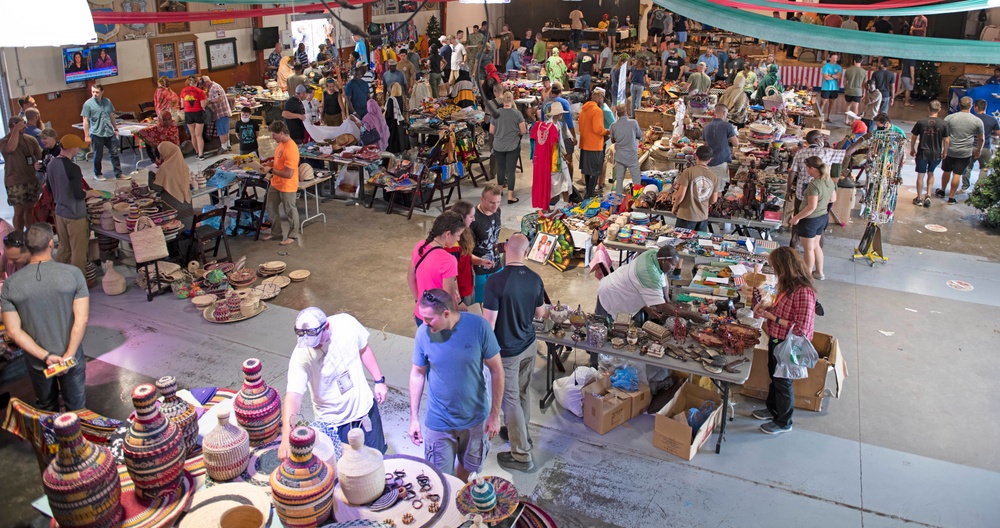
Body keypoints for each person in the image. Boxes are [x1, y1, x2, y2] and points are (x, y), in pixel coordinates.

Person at [408, 288, 504, 480]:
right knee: (439, 478)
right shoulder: (423, 334)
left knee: (467, 468)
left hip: (475, 418)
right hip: (439, 420)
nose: (424, 323)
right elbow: (417, 374)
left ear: (446, 313)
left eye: (429, 319)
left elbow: (497, 370)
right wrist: (414, 419)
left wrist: (495, 415)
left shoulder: (479, 327)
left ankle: (458, 492)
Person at [278, 307, 388, 460]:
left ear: (326, 327)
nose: (313, 346)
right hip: (333, 425)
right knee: (344, 472)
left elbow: (364, 349)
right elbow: (293, 397)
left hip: (365, 412)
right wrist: (285, 438)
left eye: (316, 341)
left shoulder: (347, 324)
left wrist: (379, 380)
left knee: (376, 461)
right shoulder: (301, 355)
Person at [1, 223, 89, 412]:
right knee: (77, 410)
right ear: (51, 243)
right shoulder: (73, 274)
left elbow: (13, 332)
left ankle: (52, 442)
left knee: (47, 409)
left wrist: (46, 356)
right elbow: (81, 320)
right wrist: (69, 355)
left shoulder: (10, 284)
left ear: (27, 246)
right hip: (71, 357)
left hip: (36, 361)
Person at [481, 233, 545, 472]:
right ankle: (521, 433)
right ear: (526, 253)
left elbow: (489, 325)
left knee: (509, 400)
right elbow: (541, 314)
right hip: (529, 345)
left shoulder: (495, 282)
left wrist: (483, 354)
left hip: (507, 351)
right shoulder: (535, 279)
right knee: (522, 392)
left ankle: (521, 455)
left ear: (506, 248)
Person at [751, 247, 817, 436]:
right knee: (775, 377)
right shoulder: (788, 286)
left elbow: (801, 328)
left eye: (775, 267)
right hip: (776, 338)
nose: (774, 271)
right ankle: (773, 410)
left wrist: (773, 318)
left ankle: (783, 421)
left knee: (783, 382)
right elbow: (784, 307)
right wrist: (769, 307)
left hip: (788, 345)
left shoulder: (804, 292)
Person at [595, 245, 682, 328]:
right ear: (664, 261)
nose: (673, 268)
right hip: (611, 294)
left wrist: (667, 301)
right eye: (673, 264)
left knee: (620, 326)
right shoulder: (649, 273)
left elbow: (662, 281)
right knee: (606, 328)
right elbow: (660, 306)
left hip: (621, 286)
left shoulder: (655, 254)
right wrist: (691, 315)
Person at [46, 134, 93, 277]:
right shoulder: (73, 168)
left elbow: (49, 189)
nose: (79, 150)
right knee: (78, 250)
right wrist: (91, 193)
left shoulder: (51, 164)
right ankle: (79, 284)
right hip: (75, 214)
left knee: (64, 248)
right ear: (71, 149)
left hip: (60, 212)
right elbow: (79, 195)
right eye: (78, 147)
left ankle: (59, 279)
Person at [409, 212, 465, 326]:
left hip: (422, 314)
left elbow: (410, 277)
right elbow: (448, 296)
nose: (458, 239)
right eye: (458, 235)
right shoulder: (448, 260)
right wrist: (455, 316)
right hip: (439, 320)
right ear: (448, 234)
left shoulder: (420, 246)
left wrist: (418, 302)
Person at [790, 157, 835, 280]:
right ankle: (819, 273)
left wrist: (796, 218)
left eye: (807, 168)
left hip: (810, 220)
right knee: (816, 246)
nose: (806, 170)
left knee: (808, 249)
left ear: (812, 168)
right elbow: (833, 199)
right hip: (823, 217)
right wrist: (822, 202)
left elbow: (811, 207)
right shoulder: (828, 181)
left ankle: (807, 276)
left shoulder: (814, 185)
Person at [938, 97, 984, 204]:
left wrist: (943, 149)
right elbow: (981, 138)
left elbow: (943, 135)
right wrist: (978, 150)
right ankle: (951, 197)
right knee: (957, 174)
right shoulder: (977, 121)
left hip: (950, 150)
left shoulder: (950, 118)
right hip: (965, 152)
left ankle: (942, 191)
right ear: (971, 106)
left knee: (946, 170)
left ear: (959, 104)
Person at [1, 117, 43, 232]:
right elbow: (11, 148)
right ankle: (18, 237)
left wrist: (39, 164)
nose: (23, 129)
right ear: (12, 126)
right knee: (19, 211)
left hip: (30, 179)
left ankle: (30, 233)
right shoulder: (4, 141)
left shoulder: (30, 140)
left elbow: (40, 155)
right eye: (21, 127)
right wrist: (15, 130)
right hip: (15, 181)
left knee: (30, 209)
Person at [262, 122, 300, 245]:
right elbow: (279, 162)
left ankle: (293, 235)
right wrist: (269, 164)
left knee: (289, 210)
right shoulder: (281, 144)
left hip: (287, 185)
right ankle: (276, 232)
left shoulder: (291, 149)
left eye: (274, 134)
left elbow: (288, 174)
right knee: (271, 207)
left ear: (281, 133)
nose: (272, 137)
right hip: (276, 182)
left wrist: (271, 170)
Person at [448, 201, 492, 307]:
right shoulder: (452, 246)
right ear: (461, 218)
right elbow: (450, 278)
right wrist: (458, 300)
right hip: (460, 293)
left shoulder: (464, 234)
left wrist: (480, 261)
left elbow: (465, 256)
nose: (474, 219)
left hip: (468, 288)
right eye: (471, 216)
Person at [532, 103, 573, 210]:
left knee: (560, 184)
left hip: (550, 160)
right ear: (557, 114)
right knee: (562, 184)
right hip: (554, 161)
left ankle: (556, 207)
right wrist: (564, 155)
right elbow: (557, 145)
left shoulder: (550, 125)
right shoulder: (553, 127)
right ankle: (563, 207)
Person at [81, 84, 125, 181]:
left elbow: (111, 115)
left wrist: (115, 128)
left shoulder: (107, 101)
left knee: (114, 153)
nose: (94, 94)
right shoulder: (88, 104)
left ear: (102, 92)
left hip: (109, 132)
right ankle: (97, 174)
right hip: (97, 133)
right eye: (93, 92)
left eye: (97, 92)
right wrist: (86, 135)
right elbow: (85, 120)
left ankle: (118, 174)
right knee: (98, 155)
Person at [910, 100, 950, 208]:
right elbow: (946, 140)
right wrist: (945, 152)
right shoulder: (944, 124)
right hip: (936, 152)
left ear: (928, 108)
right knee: (931, 172)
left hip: (923, 152)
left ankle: (918, 198)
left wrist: (912, 149)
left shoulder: (921, 122)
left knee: (920, 175)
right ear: (940, 109)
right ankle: (928, 195)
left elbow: (914, 136)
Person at [671, 145, 720, 232]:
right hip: (702, 217)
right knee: (698, 243)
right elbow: (713, 200)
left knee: (681, 242)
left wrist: (675, 206)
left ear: (696, 156)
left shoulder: (688, 172)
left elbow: (681, 194)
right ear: (709, 160)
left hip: (686, 215)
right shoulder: (714, 177)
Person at [149, 143, 195, 231]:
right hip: (187, 208)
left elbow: (156, 188)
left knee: (175, 229)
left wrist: (151, 172)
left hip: (173, 209)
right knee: (186, 226)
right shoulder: (184, 166)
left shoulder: (165, 168)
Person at [491, 92, 526, 204]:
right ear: (512, 100)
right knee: (511, 171)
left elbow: (491, 131)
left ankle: (500, 192)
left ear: (502, 101)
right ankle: (510, 196)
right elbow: (524, 131)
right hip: (512, 145)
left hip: (498, 145)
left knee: (500, 169)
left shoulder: (496, 113)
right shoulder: (517, 113)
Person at [962, 99, 1000, 191]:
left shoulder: (970, 118)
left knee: (967, 167)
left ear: (976, 107)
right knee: (984, 168)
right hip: (986, 147)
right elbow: (998, 133)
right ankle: (978, 187)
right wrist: (990, 134)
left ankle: (965, 186)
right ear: (985, 108)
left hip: (970, 147)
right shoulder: (992, 120)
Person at [580, 89, 610, 198]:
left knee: (587, 170)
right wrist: (607, 131)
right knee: (594, 171)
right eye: (602, 98)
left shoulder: (584, 109)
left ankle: (588, 192)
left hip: (584, 143)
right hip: (595, 145)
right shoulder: (597, 110)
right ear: (599, 97)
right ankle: (590, 195)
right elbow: (598, 129)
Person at [702, 105, 738, 193]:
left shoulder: (706, 127)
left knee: (708, 190)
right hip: (720, 162)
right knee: (717, 192)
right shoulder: (727, 126)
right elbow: (736, 143)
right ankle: (715, 206)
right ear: (724, 113)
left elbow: (705, 145)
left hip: (708, 163)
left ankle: (707, 206)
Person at [608, 104, 642, 195]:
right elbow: (639, 136)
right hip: (631, 156)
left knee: (619, 179)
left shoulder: (613, 126)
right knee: (636, 179)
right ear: (626, 111)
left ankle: (618, 199)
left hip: (620, 156)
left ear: (617, 114)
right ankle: (636, 198)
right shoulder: (633, 123)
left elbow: (612, 140)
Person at [201, 75, 233, 153]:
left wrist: (209, 101)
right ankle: (227, 146)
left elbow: (219, 98)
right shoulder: (214, 86)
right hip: (223, 112)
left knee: (222, 132)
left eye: (204, 85)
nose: (204, 87)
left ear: (207, 82)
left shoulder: (214, 88)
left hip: (221, 113)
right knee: (225, 131)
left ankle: (224, 148)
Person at [180, 76, 207, 159]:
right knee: (199, 135)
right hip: (198, 112)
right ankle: (201, 154)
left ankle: (196, 152)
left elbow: (182, 105)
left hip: (188, 113)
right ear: (197, 83)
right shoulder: (200, 91)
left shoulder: (183, 91)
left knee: (193, 135)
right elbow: (203, 105)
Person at [384, 83, 408, 154]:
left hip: (393, 124)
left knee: (393, 142)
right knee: (400, 140)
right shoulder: (402, 98)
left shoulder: (391, 99)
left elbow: (389, 114)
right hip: (400, 122)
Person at [819, 54, 842, 123]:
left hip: (834, 87)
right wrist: (834, 76)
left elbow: (839, 76)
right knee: (823, 102)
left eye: (836, 58)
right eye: (833, 58)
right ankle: (819, 116)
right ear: (830, 58)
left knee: (831, 103)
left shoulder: (839, 67)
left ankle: (828, 116)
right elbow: (825, 77)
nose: (834, 60)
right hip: (826, 87)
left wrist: (831, 75)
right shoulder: (826, 66)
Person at [843, 58, 866, 125]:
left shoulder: (848, 70)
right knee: (855, 107)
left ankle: (846, 120)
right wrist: (863, 92)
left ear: (854, 61)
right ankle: (853, 121)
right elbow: (864, 84)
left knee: (847, 105)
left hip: (849, 90)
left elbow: (844, 81)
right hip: (858, 91)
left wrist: (845, 89)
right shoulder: (864, 71)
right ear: (861, 61)